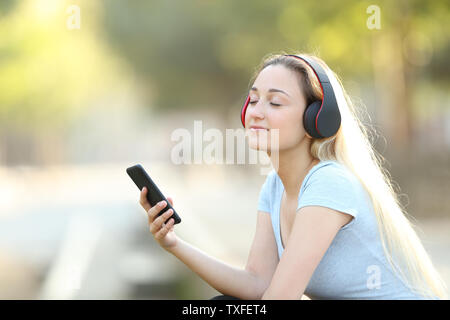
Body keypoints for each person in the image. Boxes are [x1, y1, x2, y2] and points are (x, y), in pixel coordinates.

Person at [138, 52, 448, 300]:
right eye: (254, 99)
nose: (257, 111)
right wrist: (173, 244)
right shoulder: (274, 186)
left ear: (317, 118)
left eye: (275, 102)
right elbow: (258, 284)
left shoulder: (329, 182)